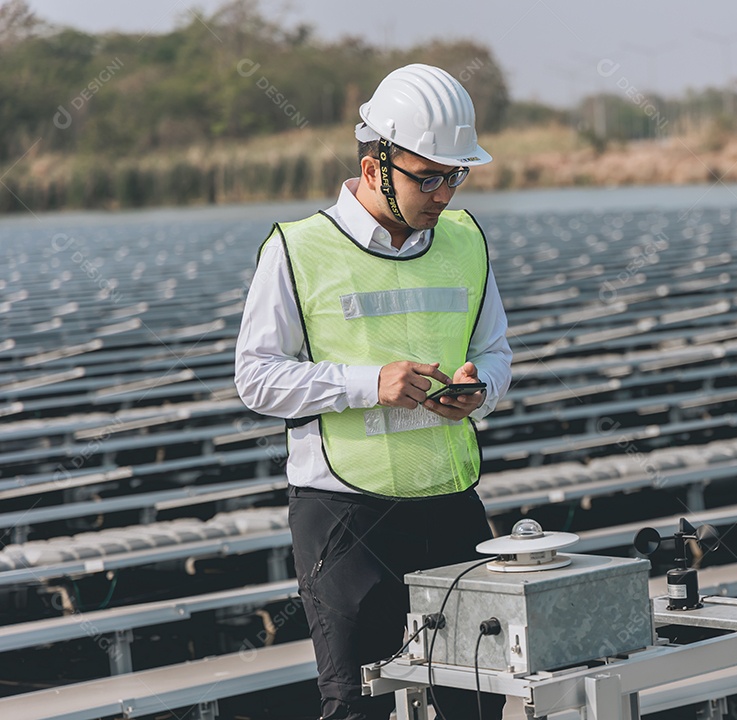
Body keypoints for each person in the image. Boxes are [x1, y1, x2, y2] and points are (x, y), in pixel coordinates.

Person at [235, 63, 511, 720]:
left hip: (449, 502)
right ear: (372, 167)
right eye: (428, 177)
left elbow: (494, 352)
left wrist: (480, 389)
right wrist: (368, 385)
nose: (444, 194)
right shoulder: (299, 249)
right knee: (358, 705)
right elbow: (257, 377)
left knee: (477, 698)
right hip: (344, 516)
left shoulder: (465, 241)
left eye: (456, 176)